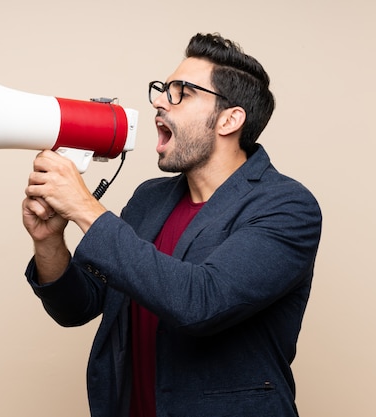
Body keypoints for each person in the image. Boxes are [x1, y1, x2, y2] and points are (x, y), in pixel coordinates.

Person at [21, 32, 322, 417]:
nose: (160, 102)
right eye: (163, 89)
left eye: (182, 92)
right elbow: (76, 307)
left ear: (229, 119)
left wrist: (85, 208)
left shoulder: (286, 206)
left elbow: (202, 303)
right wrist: (48, 241)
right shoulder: (150, 198)